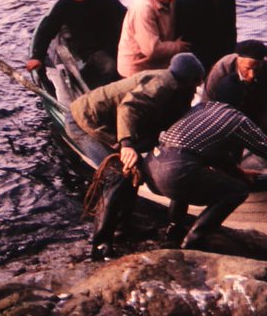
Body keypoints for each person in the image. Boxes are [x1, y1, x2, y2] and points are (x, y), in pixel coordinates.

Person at [143, 76, 267, 250]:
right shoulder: (235, 118)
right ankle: (194, 239)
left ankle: (174, 230)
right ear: (241, 100)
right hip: (176, 171)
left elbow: (216, 155)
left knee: (185, 182)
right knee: (237, 191)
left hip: (152, 166)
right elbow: (265, 146)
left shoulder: (201, 108)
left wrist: (239, 172)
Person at [70, 52, 205, 260]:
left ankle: (123, 229)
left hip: (115, 125)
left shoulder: (180, 90)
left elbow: (177, 120)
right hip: (86, 121)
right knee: (116, 175)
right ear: (187, 79)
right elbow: (128, 108)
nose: (198, 88)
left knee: (135, 172)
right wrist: (126, 145)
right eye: (196, 83)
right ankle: (100, 244)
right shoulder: (161, 85)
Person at [26, 0, 128, 88]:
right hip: (92, 52)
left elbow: (126, 18)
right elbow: (47, 31)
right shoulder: (63, 7)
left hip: (116, 44)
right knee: (110, 67)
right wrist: (37, 57)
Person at [116, 0, 189, 78]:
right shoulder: (144, 8)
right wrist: (178, 47)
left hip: (155, 66)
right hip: (136, 71)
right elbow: (152, 50)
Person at [173, 0, 237, 73]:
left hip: (217, 39)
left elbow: (230, 24)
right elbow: (186, 38)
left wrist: (229, 57)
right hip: (196, 46)